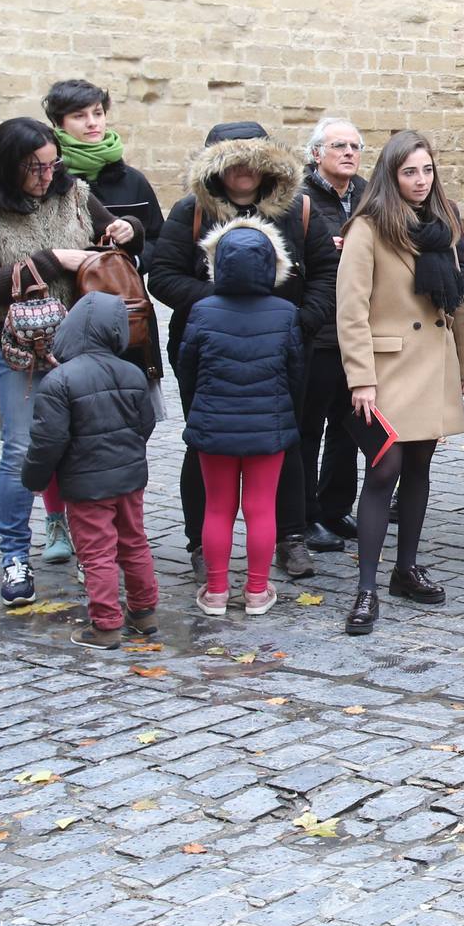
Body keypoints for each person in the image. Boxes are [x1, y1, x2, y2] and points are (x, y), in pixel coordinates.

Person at [0, 118, 141, 606]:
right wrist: (54, 257)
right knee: (20, 449)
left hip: (88, 344)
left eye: (52, 163)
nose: (45, 175)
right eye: (34, 167)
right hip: (21, 348)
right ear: (5, 164)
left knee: (85, 447)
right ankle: (16, 555)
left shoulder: (73, 191)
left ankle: (90, 551)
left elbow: (117, 241)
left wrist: (128, 228)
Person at [148, 121, 336, 584]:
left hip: (282, 349)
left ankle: (289, 537)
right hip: (211, 349)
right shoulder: (191, 211)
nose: (243, 170)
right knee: (205, 442)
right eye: (232, 161)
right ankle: (201, 543)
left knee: (284, 440)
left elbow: (328, 273)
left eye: (252, 160)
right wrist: (221, 309)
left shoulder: (299, 209)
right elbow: (164, 276)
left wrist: (297, 321)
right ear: (216, 166)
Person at [334, 131, 464, 636]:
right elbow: (350, 311)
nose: (421, 181)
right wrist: (361, 380)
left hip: (433, 363)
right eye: (409, 172)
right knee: (383, 469)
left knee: (419, 466)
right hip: (386, 369)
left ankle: (405, 569)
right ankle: (366, 587)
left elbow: (454, 301)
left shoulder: (443, 225)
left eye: (427, 170)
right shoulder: (367, 229)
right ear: (391, 176)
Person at [179, 217, 306, 618]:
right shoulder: (285, 312)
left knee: (216, 508)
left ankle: (216, 591)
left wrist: (201, 407)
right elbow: (296, 371)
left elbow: (187, 368)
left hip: (214, 424)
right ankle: (256, 591)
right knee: (261, 508)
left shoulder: (201, 310)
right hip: (268, 426)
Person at [19, 293, 158, 649]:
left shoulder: (60, 381)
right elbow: (145, 425)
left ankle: (106, 624)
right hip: (129, 479)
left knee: (97, 554)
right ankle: (143, 613)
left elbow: (48, 441)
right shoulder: (132, 372)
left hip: (85, 486)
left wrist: (33, 479)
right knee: (135, 543)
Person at [298, 118, 367, 554]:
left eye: (355, 146)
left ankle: (336, 506)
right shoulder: (299, 200)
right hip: (319, 332)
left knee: (350, 427)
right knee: (307, 428)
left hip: (358, 331)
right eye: (338, 145)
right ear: (316, 154)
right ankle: (304, 516)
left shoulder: (369, 196)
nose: (348, 152)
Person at [43, 79, 164, 248]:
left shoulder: (134, 180)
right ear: (58, 123)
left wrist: (133, 261)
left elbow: (157, 239)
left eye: (98, 113)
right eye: (79, 116)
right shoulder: (47, 179)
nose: (92, 122)